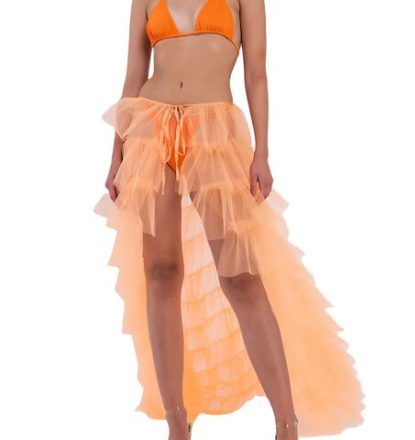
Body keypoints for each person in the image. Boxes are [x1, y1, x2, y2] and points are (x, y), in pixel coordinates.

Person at [93, 1, 365, 439]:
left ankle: (286, 425)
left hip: (214, 129)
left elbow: (256, 73)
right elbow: (133, 77)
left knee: (241, 277)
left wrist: (262, 152)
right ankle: (177, 425)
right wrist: (115, 157)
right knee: (161, 273)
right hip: (150, 129)